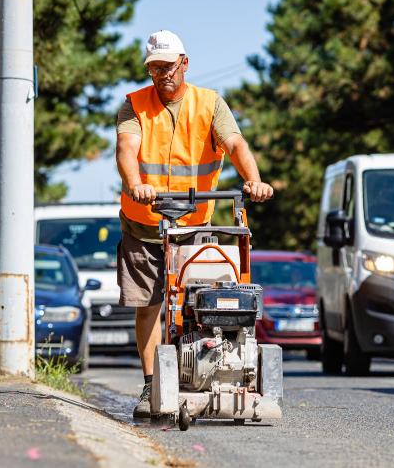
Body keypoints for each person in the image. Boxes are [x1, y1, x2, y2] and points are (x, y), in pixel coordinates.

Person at [115, 30, 274, 418]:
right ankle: (152, 384)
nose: (162, 74)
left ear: (184, 63)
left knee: (201, 299)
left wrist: (252, 179)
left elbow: (235, 144)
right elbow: (126, 149)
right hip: (144, 224)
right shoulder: (133, 105)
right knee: (149, 305)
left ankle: (215, 370)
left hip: (192, 225)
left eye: (168, 66)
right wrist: (136, 185)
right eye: (154, 68)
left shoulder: (209, 103)